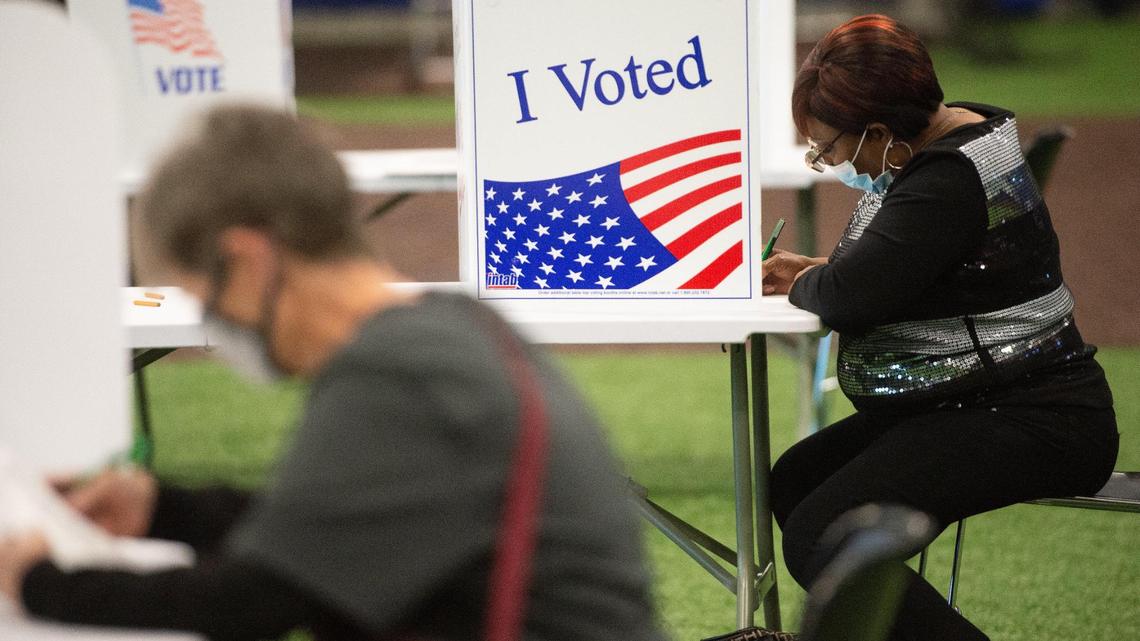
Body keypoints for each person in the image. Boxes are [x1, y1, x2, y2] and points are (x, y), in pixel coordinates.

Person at [0, 105, 666, 641]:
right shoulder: (449, 328)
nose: (216, 328)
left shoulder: (395, 373)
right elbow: (329, 536)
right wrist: (162, 508)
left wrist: (39, 581)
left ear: (250, 259)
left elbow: (254, 601)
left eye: (206, 298)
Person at [761, 14, 1119, 641]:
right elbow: (911, 265)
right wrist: (817, 268)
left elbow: (851, 296)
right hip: (982, 397)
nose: (829, 163)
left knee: (822, 531)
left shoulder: (943, 181)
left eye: (831, 149)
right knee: (797, 483)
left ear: (879, 130)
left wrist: (803, 280)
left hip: (1033, 416)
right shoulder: (971, 130)